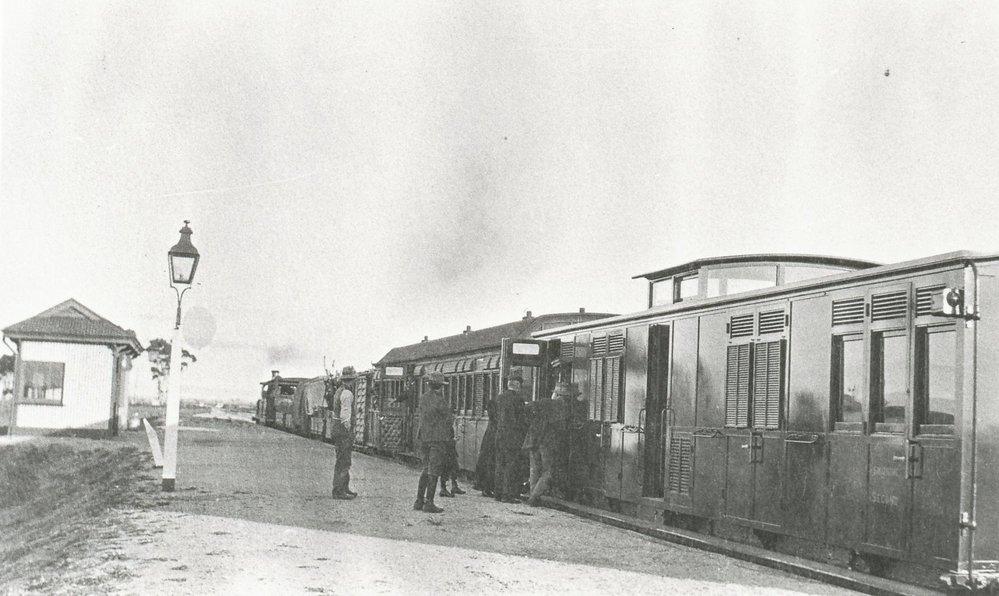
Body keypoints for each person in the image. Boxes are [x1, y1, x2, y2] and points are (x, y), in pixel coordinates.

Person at [523, 381, 576, 506]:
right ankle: (534, 497)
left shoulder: (544, 402)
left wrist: (532, 423)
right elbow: (562, 429)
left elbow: (527, 408)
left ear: (556, 394)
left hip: (534, 440)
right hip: (547, 444)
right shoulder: (565, 409)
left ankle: (532, 495)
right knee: (548, 471)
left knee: (534, 469)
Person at [414, 371, 453, 513]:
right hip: (437, 439)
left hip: (424, 437)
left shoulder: (423, 398)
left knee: (425, 468)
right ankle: (429, 502)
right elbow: (448, 419)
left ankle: (419, 500)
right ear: (440, 386)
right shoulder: (440, 400)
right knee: (434, 470)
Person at [493, 371, 526, 503]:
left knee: (500, 465)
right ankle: (507, 495)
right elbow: (521, 420)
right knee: (511, 466)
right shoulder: (518, 400)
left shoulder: (499, 398)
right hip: (513, 438)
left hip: (500, 436)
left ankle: (498, 493)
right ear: (517, 385)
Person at [329, 366, 357, 500]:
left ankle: (344, 488)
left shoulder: (339, 391)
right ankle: (339, 490)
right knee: (344, 460)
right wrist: (349, 431)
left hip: (336, 429)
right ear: (351, 380)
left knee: (343, 459)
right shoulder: (347, 394)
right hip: (343, 431)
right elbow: (345, 415)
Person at [474, 391, 497, 496]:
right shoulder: (495, 424)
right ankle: (487, 487)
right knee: (490, 462)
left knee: (486, 461)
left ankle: (482, 485)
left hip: (489, 438)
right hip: (493, 439)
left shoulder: (491, 423)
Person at [438, 421, 466, 497]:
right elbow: (445, 441)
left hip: (450, 451)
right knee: (446, 469)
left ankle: (454, 486)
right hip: (446, 452)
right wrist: (454, 440)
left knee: (454, 468)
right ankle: (443, 489)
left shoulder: (447, 425)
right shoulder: (445, 426)